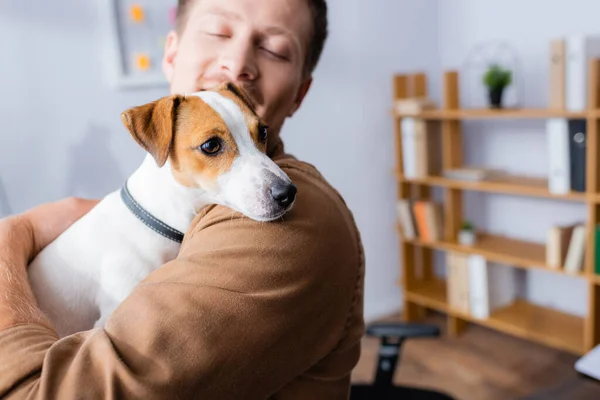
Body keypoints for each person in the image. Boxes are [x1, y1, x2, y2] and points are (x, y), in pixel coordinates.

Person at [0, 0, 365, 398]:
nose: (237, 62)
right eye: (219, 32)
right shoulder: (125, 236)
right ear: (170, 53)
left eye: (275, 49)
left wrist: (14, 235)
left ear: (301, 93)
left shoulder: (293, 224)